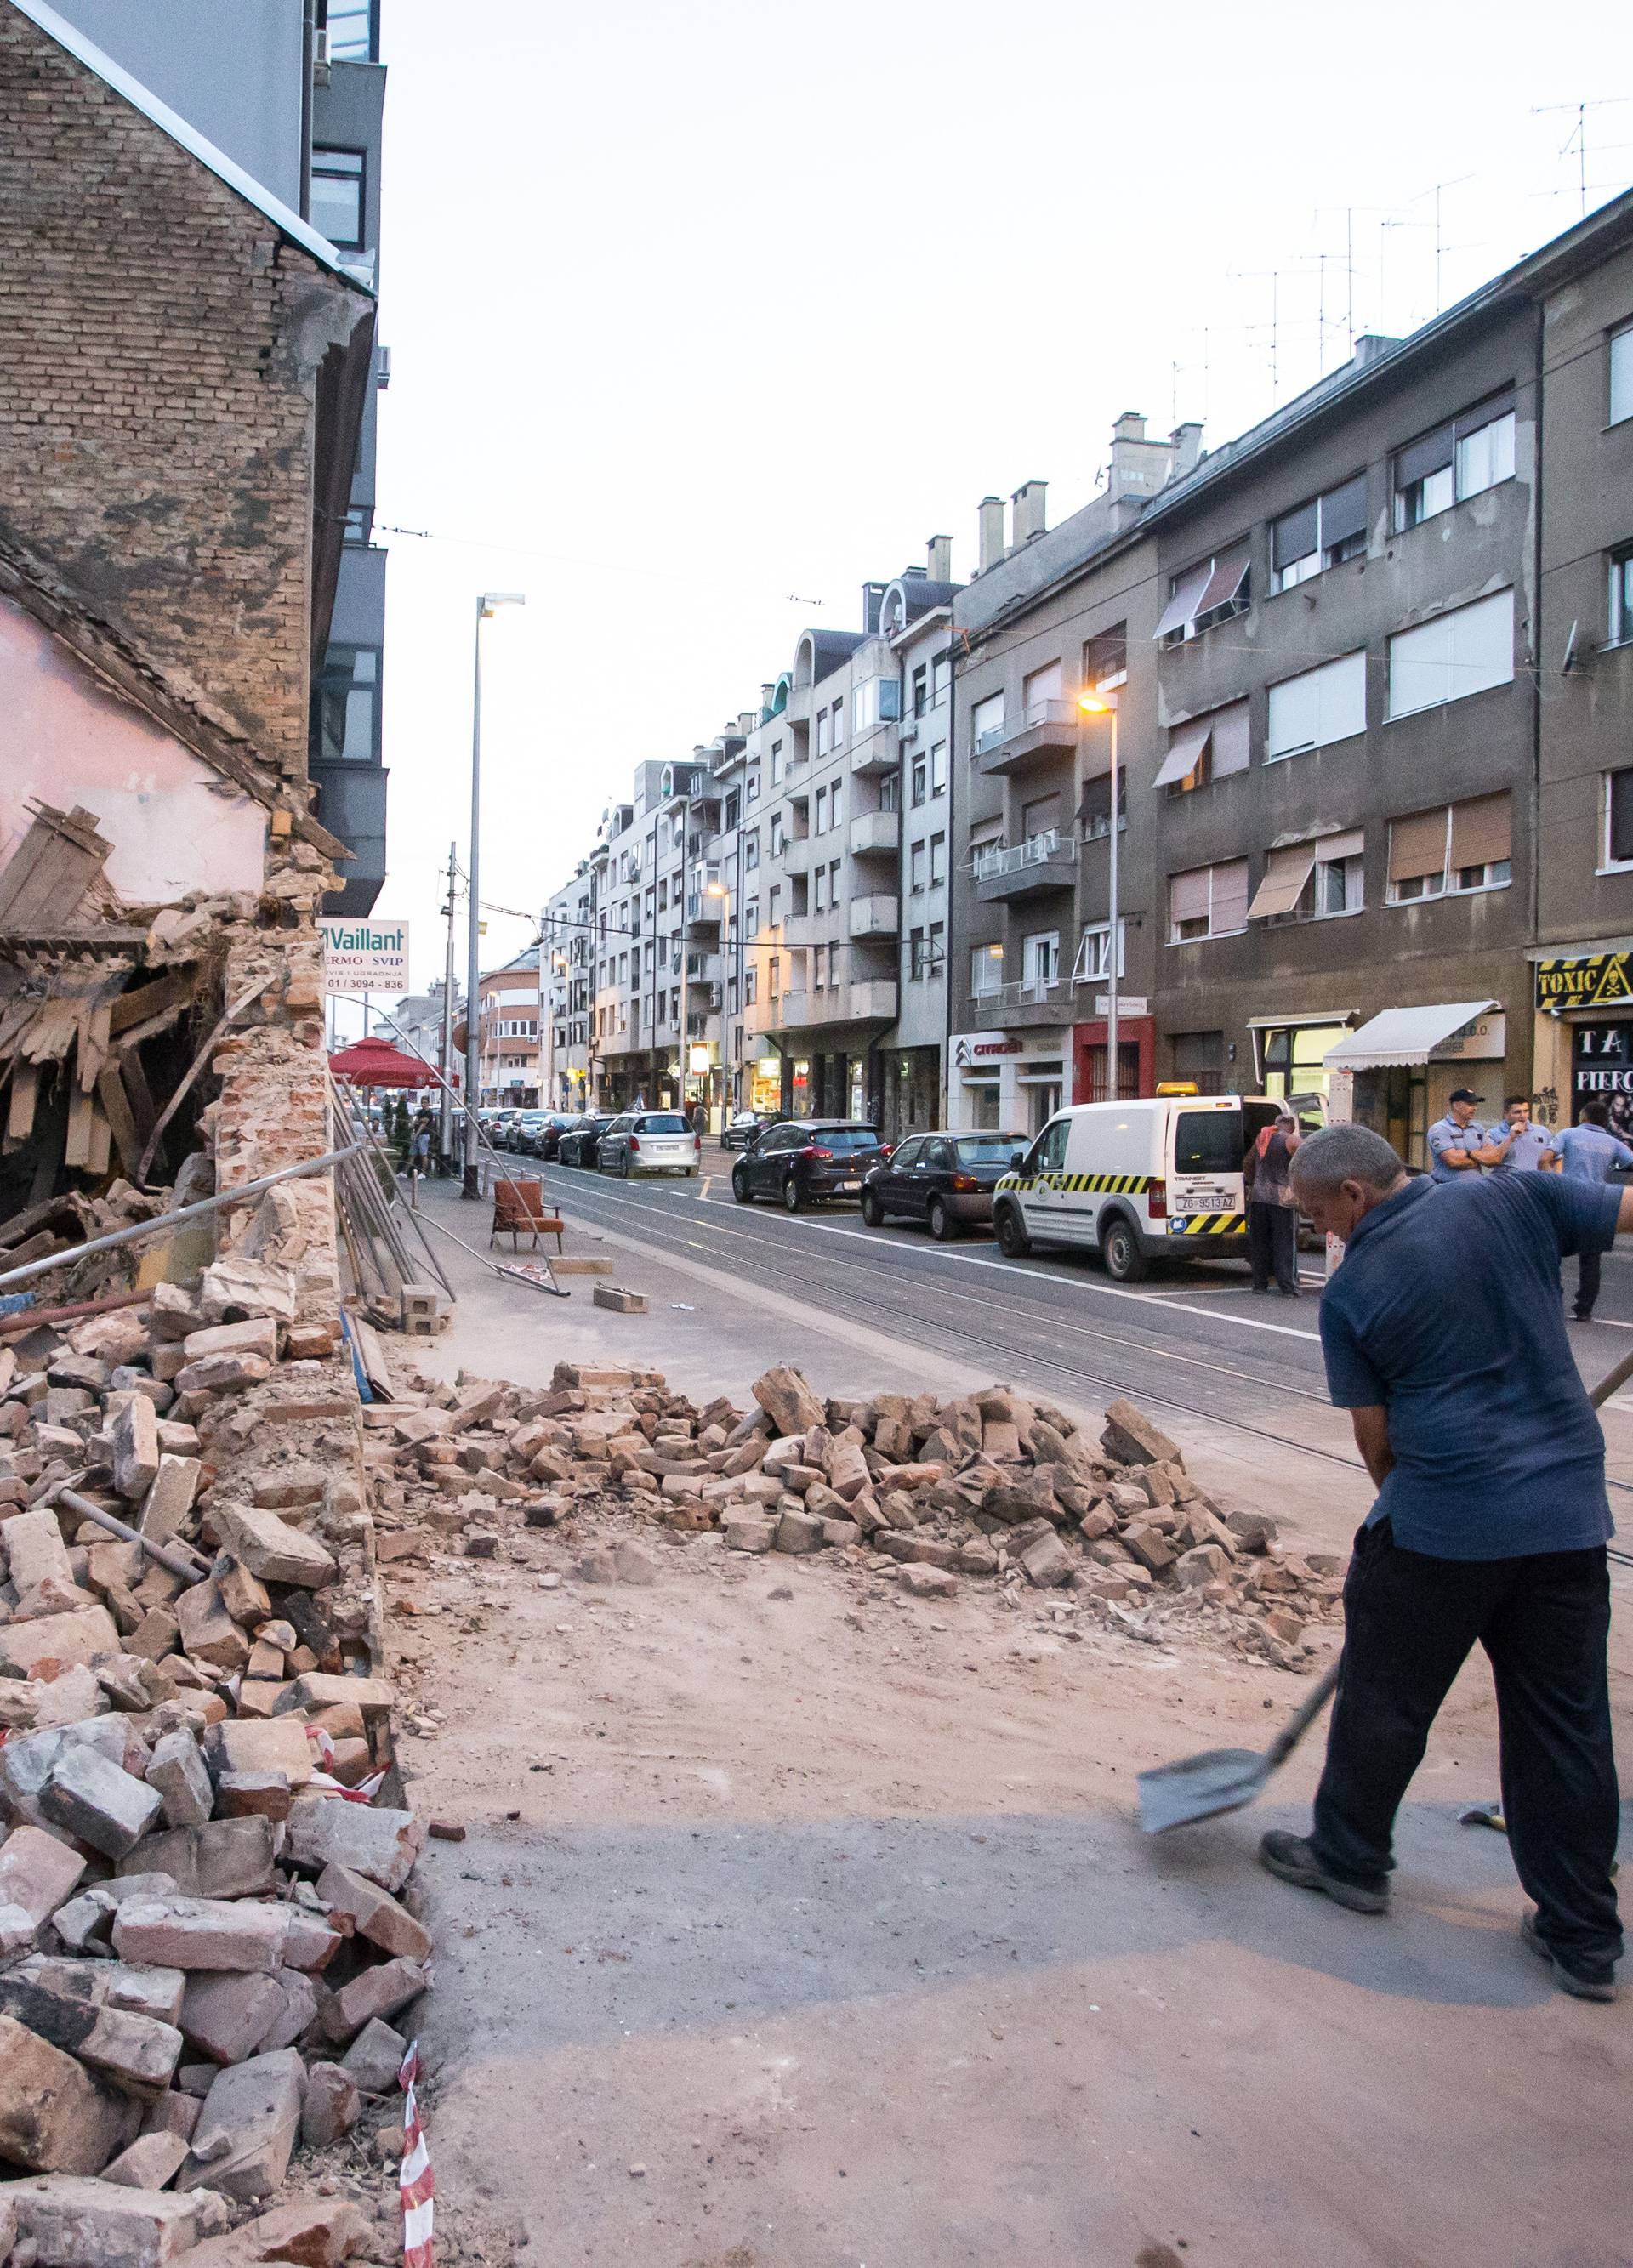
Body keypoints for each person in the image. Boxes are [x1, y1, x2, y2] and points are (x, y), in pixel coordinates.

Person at [1255, 1123, 1624, 2001]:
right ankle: (1582, 1937)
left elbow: (1375, 1437)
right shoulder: (1519, 1196)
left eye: (1319, 1217)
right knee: (1566, 1729)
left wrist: (1404, 1504)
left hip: (1443, 1528)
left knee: (1385, 1696)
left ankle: (1349, 1858)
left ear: (1355, 1196)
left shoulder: (1354, 1293)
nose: (1322, 1235)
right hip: (1568, 1520)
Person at [1555, 1100, 1633, 1321]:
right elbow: (1630, 1162)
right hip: (1597, 1203)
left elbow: (1549, 1155)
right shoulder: (1613, 1143)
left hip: (1567, 1199)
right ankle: (1584, 1309)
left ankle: (1552, 1301)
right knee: (1591, 1261)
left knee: (1552, 1254)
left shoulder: (1568, 1134)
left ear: (1584, 1117)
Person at [1243, 1104, 1302, 1296]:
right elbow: (1306, 1163)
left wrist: (1253, 1184)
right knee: (1284, 1243)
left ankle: (1259, 1284)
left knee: (1260, 1243)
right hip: (1282, 1200)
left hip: (1259, 1198)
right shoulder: (1292, 1141)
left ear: (1276, 1124)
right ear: (1292, 1127)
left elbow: (1248, 1162)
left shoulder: (1263, 1138)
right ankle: (1288, 1286)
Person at [1425, 1088, 1490, 1180]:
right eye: (1470, 1104)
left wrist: (1466, 1156)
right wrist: (1479, 1158)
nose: (1475, 1108)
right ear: (1456, 1105)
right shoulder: (1440, 1128)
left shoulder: (1478, 1128)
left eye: (1475, 1104)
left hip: (1476, 1186)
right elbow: (1453, 1161)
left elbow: (1492, 1158)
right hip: (1447, 1186)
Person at [1483, 1094, 1556, 1175]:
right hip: (1508, 1184)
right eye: (1518, 1112)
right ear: (1506, 1114)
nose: (1523, 1116)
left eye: (1526, 1111)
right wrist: (1510, 1138)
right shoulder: (1493, 1134)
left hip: (1535, 1183)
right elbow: (1490, 1162)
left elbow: (1557, 1158)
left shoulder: (1542, 1132)